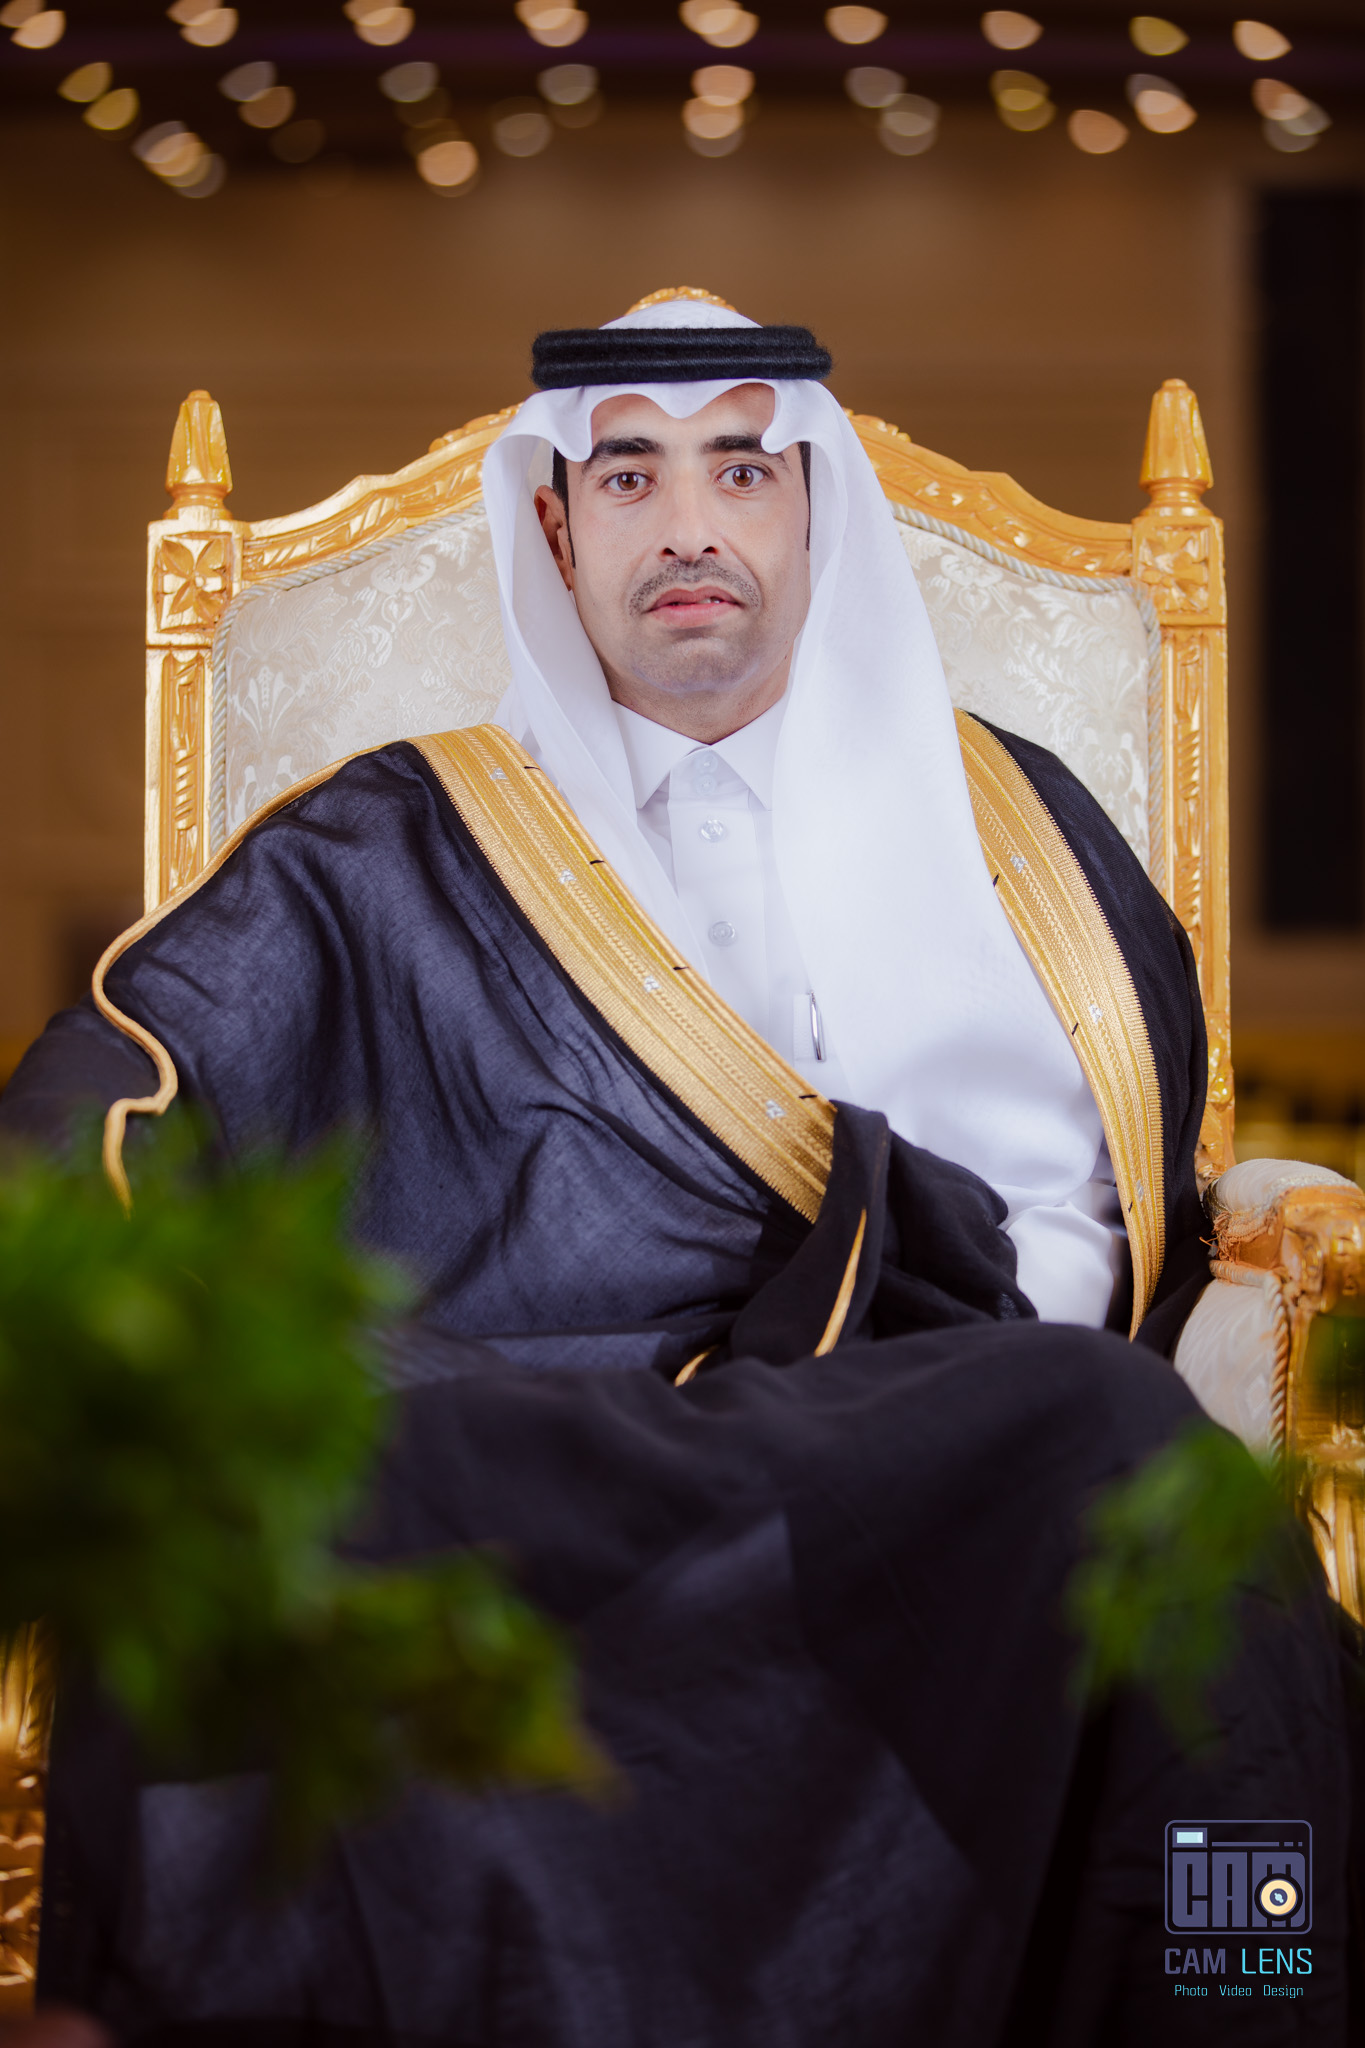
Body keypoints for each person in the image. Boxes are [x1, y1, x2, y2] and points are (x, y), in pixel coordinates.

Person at [1, 295, 1355, 2044]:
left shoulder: (1021, 839)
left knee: (1106, 1439)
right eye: (629, 476)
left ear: (813, 510)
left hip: (950, 1473)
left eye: (740, 468)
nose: (690, 525)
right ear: (556, 529)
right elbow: (118, 1089)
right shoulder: (394, 845)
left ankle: (1236, 1998)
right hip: (528, 1467)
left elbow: (1142, 1201)